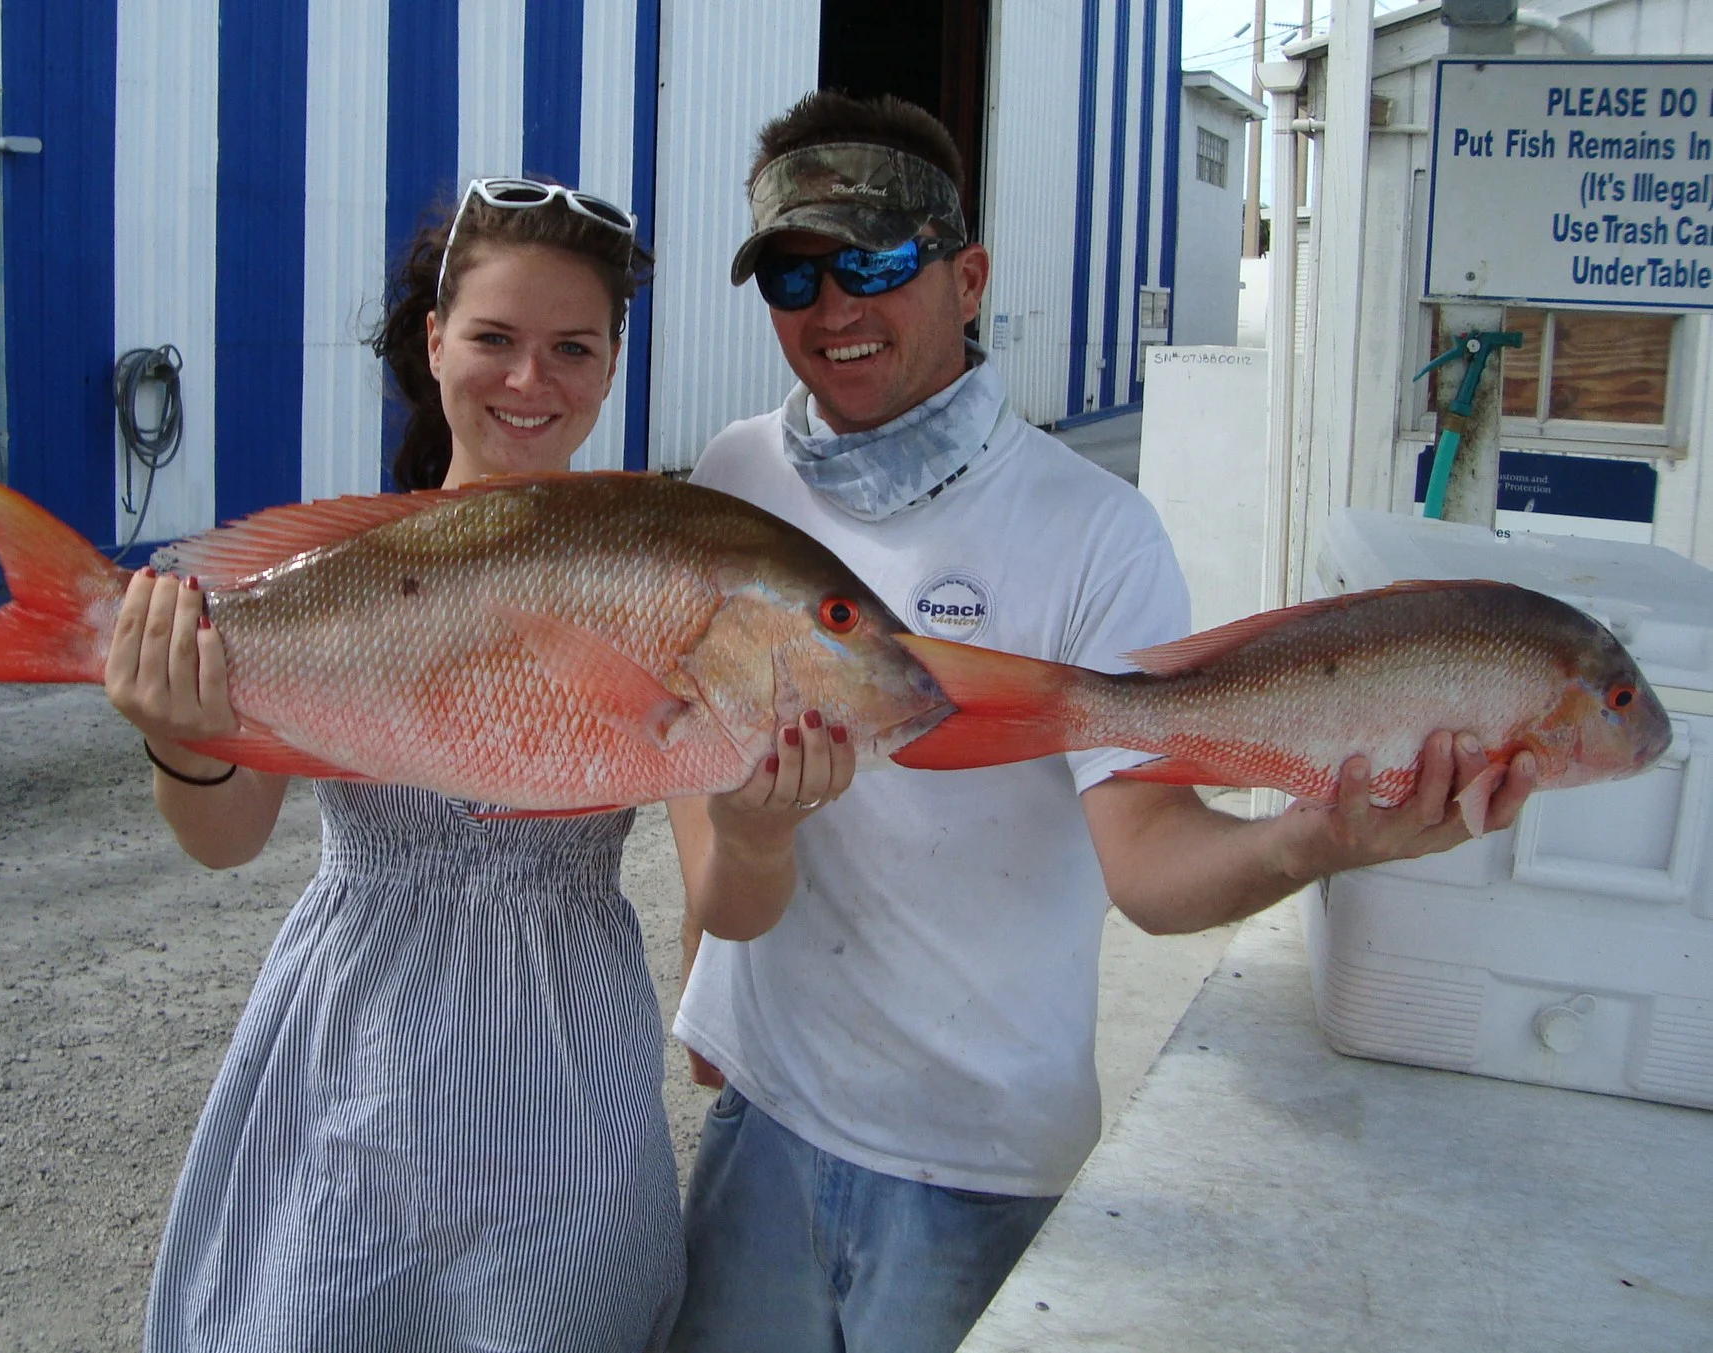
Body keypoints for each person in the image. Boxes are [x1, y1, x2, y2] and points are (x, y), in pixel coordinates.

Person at [664, 92, 1538, 1353]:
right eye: (794, 277)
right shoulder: (733, 476)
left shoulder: (1094, 533)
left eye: (875, 262)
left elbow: (1150, 863)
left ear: (969, 278)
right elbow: (694, 748)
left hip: (972, 1167)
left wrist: (1318, 839)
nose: (834, 307)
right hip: (762, 1121)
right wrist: (706, 977)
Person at [105, 179, 685, 1352]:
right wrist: (179, 733)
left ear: (613, 364)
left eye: (572, 348)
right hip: (352, 1040)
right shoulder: (349, 567)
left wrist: (766, 828)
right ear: (434, 343)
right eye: (494, 339)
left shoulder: (659, 571)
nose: (530, 379)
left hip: (564, 1055)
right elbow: (224, 839)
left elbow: (732, 889)